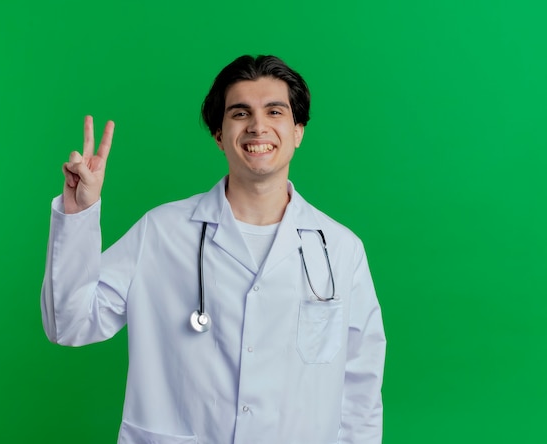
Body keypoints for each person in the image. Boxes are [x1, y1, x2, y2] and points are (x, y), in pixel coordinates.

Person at [41, 55, 386, 444]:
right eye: (241, 113)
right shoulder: (161, 232)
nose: (258, 126)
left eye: (275, 111)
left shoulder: (339, 248)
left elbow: (361, 389)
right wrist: (79, 212)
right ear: (219, 134)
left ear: (297, 130)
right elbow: (69, 325)